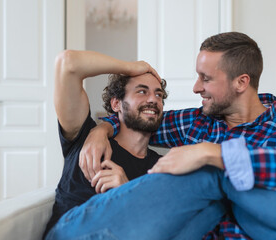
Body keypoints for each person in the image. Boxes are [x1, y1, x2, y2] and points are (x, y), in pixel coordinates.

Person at [48, 33, 276, 240]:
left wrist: (217, 154)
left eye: (205, 78)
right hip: (86, 229)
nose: (195, 88)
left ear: (241, 82)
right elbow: (137, 117)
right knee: (220, 179)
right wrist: (104, 127)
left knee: (224, 188)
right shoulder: (197, 123)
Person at [43, 50, 185, 238]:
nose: (153, 99)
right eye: (142, 91)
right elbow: (67, 62)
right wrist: (131, 67)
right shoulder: (84, 136)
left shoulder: (161, 168)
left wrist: (125, 193)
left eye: (158, 95)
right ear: (116, 104)